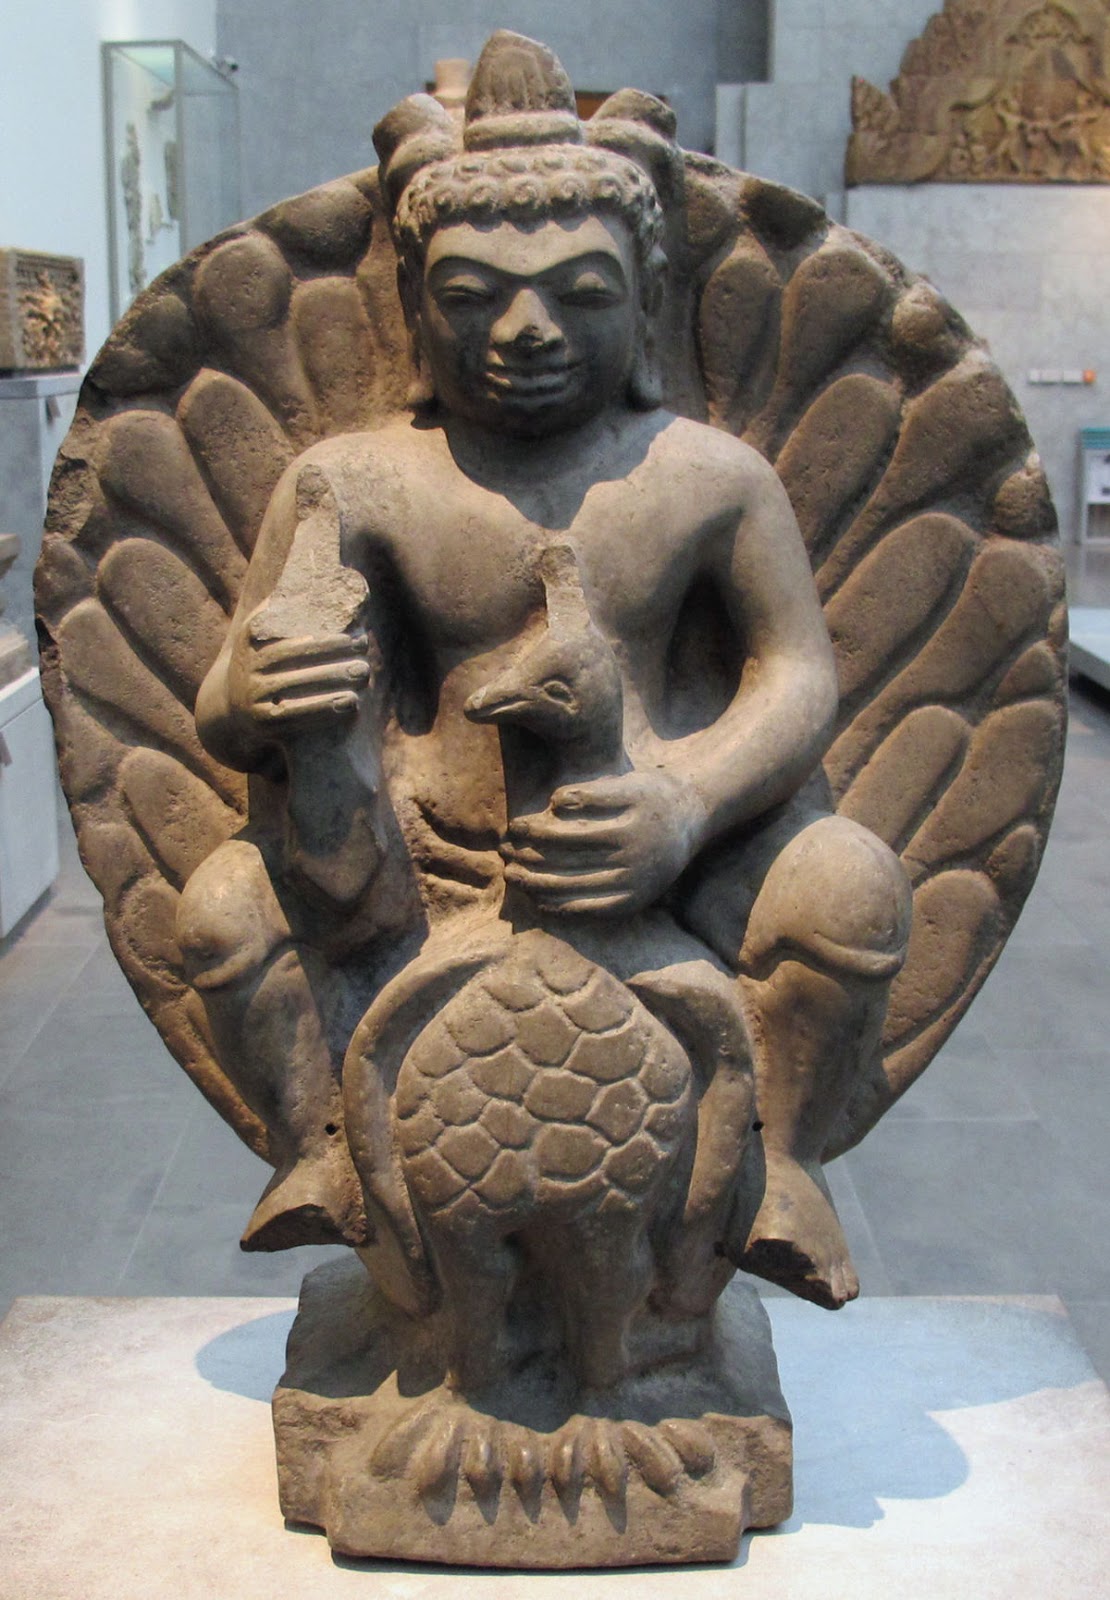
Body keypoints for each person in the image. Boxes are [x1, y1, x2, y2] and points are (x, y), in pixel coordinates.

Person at [176, 32, 911, 1309]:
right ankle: (326, 1153)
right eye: (472, 296)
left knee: (851, 884)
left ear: (646, 298)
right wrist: (256, 695)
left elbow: (797, 674)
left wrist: (686, 802)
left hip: (662, 855)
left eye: (580, 292)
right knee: (223, 908)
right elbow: (221, 704)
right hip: (416, 874)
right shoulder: (351, 480)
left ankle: (779, 1162)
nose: (526, 331)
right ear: (414, 307)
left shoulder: (709, 478)